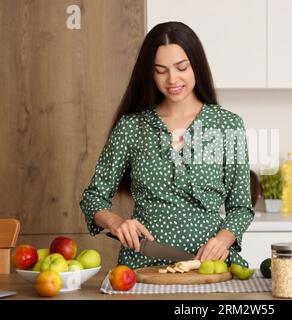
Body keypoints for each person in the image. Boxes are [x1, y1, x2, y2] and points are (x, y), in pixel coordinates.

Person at [79, 21, 255, 269]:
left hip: (208, 266)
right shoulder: (132, 127)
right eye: (160, 70)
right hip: (142, 265)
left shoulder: (228, 125)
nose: (172, 79)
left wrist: (222, 240)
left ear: (196, 65)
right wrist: (116, 222)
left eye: (181, 67)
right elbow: (93, 198)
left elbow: (240, 208)